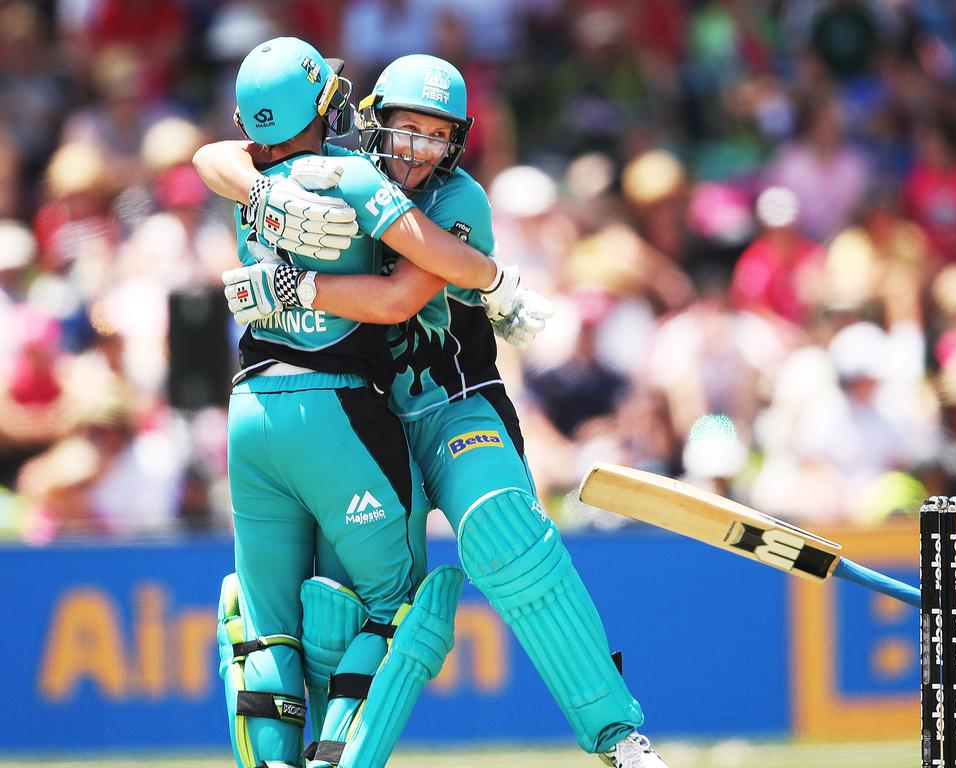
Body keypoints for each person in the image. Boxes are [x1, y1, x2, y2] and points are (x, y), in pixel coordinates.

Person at [198, 52, 665, 768]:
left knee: (507, 540)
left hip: (451, 408)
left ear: (458, 142)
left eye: (437, 135)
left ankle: (617, 735)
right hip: (357, 419)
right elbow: (221, 154)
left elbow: (398, 299)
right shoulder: (334, 163)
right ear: (372, 119)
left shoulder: (459, 202)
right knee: (332, 611)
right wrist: (267, 199)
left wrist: (291, 288)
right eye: (406, 129)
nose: (418, 149)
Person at [208, 38, 535, 768]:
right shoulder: (348, 175)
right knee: (399, 608)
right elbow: (423, 265)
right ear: (325, 105)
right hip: (337, 413)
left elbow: (213, 155)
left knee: (267, 629)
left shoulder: (248, 180)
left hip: (249, 414)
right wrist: (495, 277)